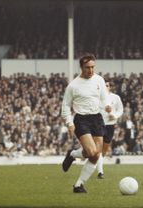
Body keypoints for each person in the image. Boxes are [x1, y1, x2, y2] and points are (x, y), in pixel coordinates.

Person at [61, 53, 111, 193]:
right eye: (87, 67)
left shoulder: (99, 80)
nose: (91, 71)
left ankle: (78, 184)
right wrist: (69, 123)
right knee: (91, 151)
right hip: (81, 119)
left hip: (97, 118)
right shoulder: (73, 85)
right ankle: (72, 154)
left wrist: (107, 105)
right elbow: (65, 105)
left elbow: (104, 97)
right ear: (81, 67)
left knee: (96, 155)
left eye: (93, 67)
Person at [96, 80, 124, 179]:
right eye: (104, 85)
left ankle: (97, 166)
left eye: (107, 85)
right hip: (99, 124)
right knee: (98, 149)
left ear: (110, 87)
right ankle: (100, 171)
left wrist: (115, 116)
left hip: (110, 125)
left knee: (104, 149)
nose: (105, 87)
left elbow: (120, 109)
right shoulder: (97, 98)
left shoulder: (116, 97)